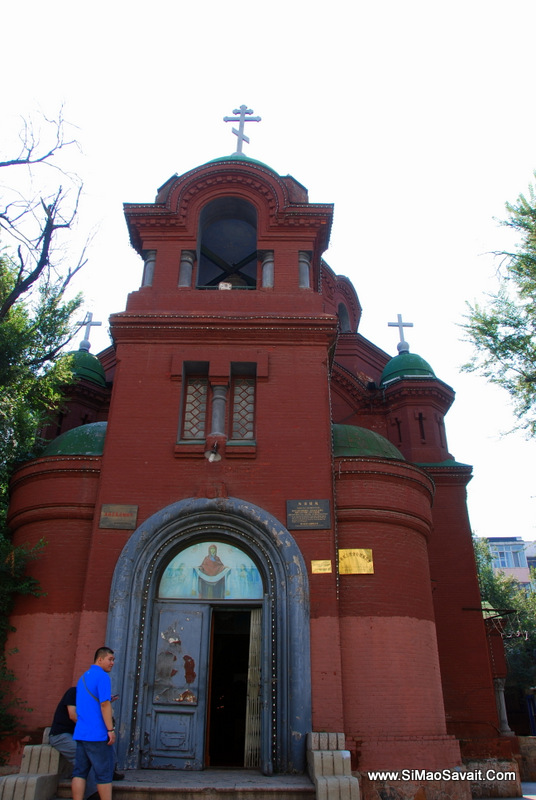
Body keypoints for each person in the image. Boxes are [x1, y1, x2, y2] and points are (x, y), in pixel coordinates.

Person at [72, 647, 117, 800]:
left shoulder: (83, 677)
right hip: (97, 734)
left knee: (79, 773)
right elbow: (104, 705)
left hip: (81, 732)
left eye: (113, 660)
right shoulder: (103, 677)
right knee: (104, 774)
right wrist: (110, 730)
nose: (112, 663)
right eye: (110, 659)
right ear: (100, 659)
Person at [49, 686, 98, 800]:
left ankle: (109, 773)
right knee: (83, 757)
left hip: (77, 736)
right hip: (61, 735)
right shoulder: (74, 692)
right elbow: (73, 715)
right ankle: (93, 793)